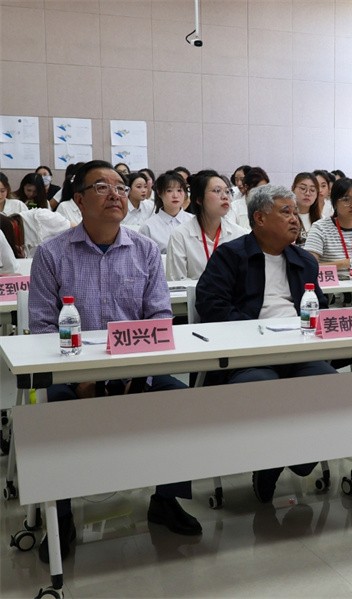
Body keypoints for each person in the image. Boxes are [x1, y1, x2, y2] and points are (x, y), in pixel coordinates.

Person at [28, 160, 199, 563]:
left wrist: (134, 375)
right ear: (79, 199)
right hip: (70, 373)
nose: (116, 195)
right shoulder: (52, 254)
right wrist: (81, 378)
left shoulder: (144, 250)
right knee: (53, 411)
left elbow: (159, 319)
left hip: (135, 370)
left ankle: (166, 499)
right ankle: (60, 515)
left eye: (121, 187)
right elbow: (41, 330)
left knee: (179, 398)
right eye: (102, 187)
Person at [195, 184, 337, 503]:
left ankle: (293, 457)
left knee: (329, 384)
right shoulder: (231, 255)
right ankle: (270, 464)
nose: (295, 219)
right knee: (262, 387)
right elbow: (211, 305)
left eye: (295, 212)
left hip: (299, 351)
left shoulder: (304, 260)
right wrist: (257, 332)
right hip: (250, 355)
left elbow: (321, 308)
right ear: (259, 218)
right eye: (286, 212)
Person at [166, 171, 248, 280]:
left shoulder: (240, 235)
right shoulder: (180, 235)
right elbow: (176, 283)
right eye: (217, 191)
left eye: (227, 191)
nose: (225, 197)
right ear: (199, 199)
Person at [305, 178, 352, 273]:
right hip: (333, 281)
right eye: (346, 199)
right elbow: (308, 265)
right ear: (335, 203)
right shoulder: (320, 228)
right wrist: (346, 263)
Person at [139, 171, 193, 253]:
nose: (175, 195)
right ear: (159, 193)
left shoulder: (194, 221)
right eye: (169, 191)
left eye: (179, 190)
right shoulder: (148, 227)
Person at [291, 171, 322, 246]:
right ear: (293, 189)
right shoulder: (287, 218)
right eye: (303, 188)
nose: (307, 193)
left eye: (312, 190)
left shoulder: (322, 220)